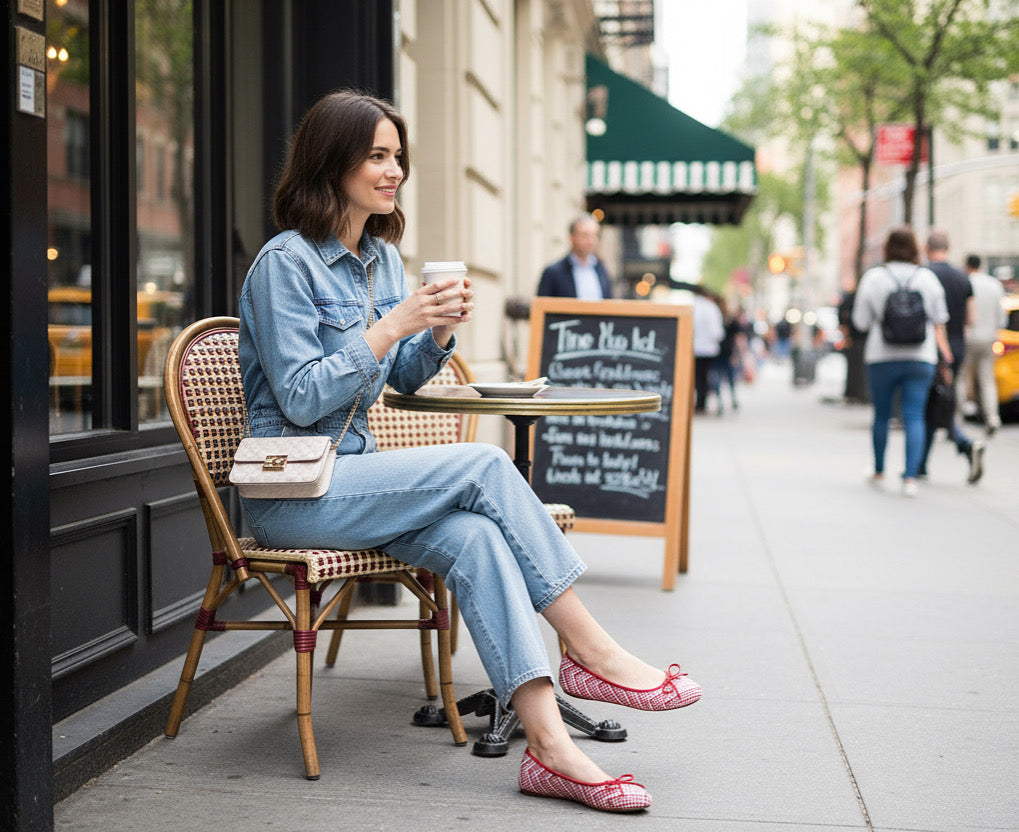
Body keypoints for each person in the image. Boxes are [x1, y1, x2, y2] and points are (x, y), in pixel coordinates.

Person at [237, 90, 699, 813]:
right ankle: (590, 651)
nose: (395, 171)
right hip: (293, 493)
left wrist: (438, 333)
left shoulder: (381, 260)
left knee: (477, 537)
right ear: (331, 163)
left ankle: (550, 750)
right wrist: (392, 326)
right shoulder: (284, 264)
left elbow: (405, 379)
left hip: (357, 479)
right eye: (377, 156)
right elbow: (299, 398)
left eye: (398, 157)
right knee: (485, 463)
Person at [852, 227, 951, 497]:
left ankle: (879, 469)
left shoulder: (874, 277)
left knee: (881, 415)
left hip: (881, 356)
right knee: (914, 415)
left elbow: (860, 321)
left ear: (887, 248)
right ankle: (909, 478)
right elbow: (940, 318)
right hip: (920, 357)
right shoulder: (927, 278)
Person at [917, 230, 985, 483]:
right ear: (948, 248)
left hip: (932, 348)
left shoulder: (924, 275)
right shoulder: (963, 278)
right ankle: (923, 463)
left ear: (927, 248)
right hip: (957, 347)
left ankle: (962, 444)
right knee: (941, 401)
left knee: (929, 405)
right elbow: (971, 318)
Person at [957, 254, 1005, 437]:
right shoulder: (994, 284)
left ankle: (958, 420)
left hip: (967, 337)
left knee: (961, 378)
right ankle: (992, 418)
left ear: (967, 265)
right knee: (987, 379)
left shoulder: (965, 282)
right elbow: (1001, 317)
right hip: (988, 338)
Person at [536, 214, 613, 299]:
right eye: (585, 235)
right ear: (572, 237)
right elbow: (542, 304)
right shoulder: (553, 273)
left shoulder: (601, 269)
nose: (590, 241)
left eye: (594, 235)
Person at [692, 286, 725, 414]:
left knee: (696, 377)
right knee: (707, 376)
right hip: (709, 349)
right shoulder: (711, 307)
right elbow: (717, 332)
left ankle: (699, 403)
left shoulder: (692, 307)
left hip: (694, 348)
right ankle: (703, 402)